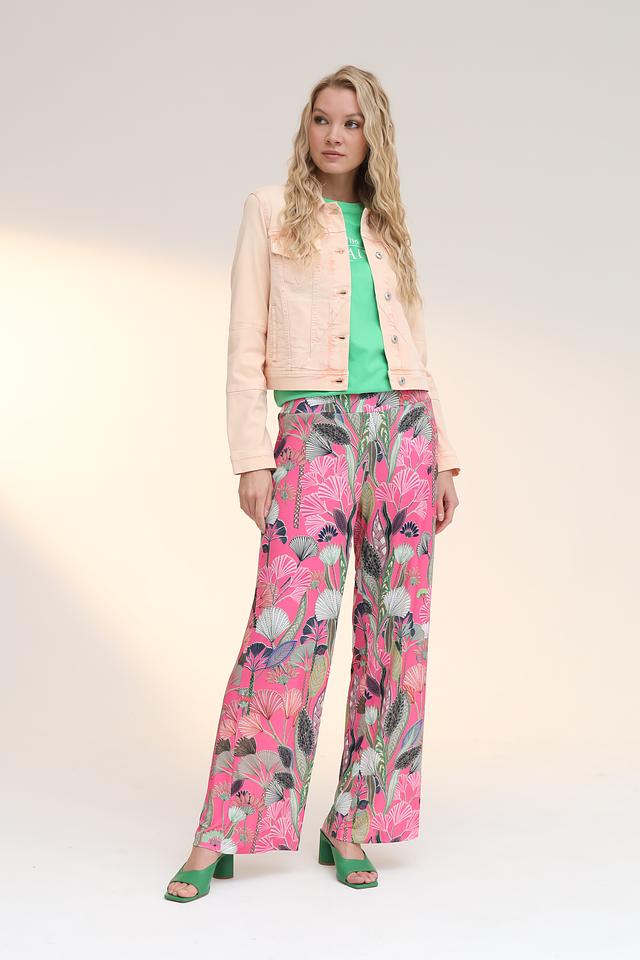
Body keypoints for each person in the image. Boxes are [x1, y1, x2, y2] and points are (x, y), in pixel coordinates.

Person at [165, 64, 461, 901]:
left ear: (374, 138)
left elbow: (417, 350)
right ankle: (223, 826)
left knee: (397, 635)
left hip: (403, 432)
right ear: (307, 128)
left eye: (351, 122)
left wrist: (444, 456)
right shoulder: (269, 212)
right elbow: (244, 339)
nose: (335, 134)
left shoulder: (387, 227)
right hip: (315, 431)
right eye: (323, 119)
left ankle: (354, 820)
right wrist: (250, 457)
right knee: (285, 629)